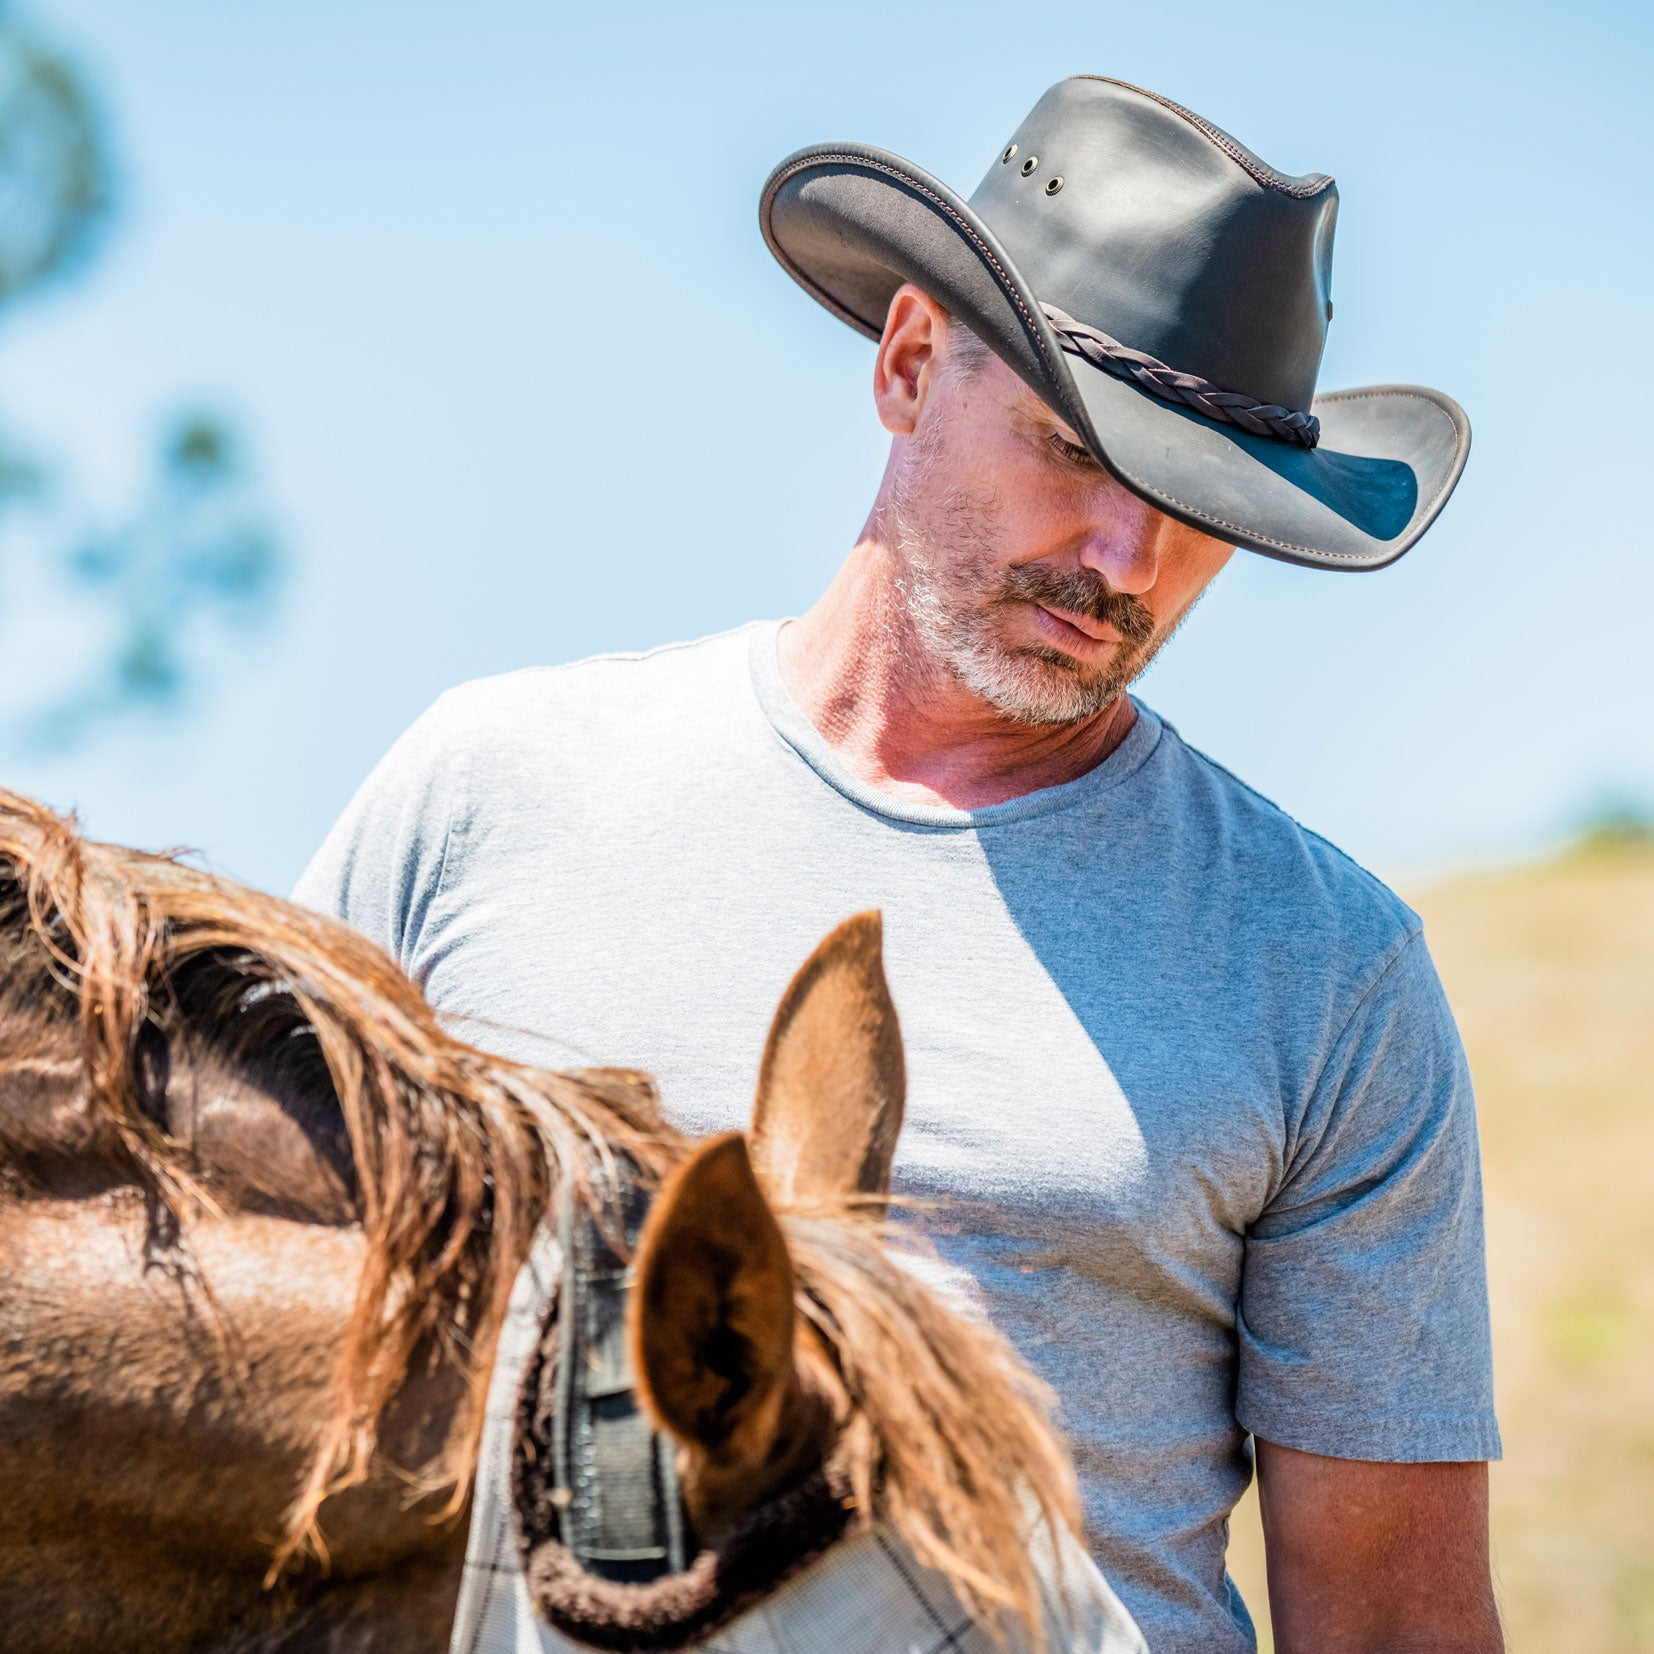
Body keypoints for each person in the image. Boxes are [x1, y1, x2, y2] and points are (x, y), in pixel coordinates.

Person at [296, 77, 1502, 1654]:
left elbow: (1395, 1619)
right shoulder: (485, 792)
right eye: (1080, 454)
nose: (1128, 562)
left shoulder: (1323, 972)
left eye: (1199, 507)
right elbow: (272, 1377)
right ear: (912, 360)